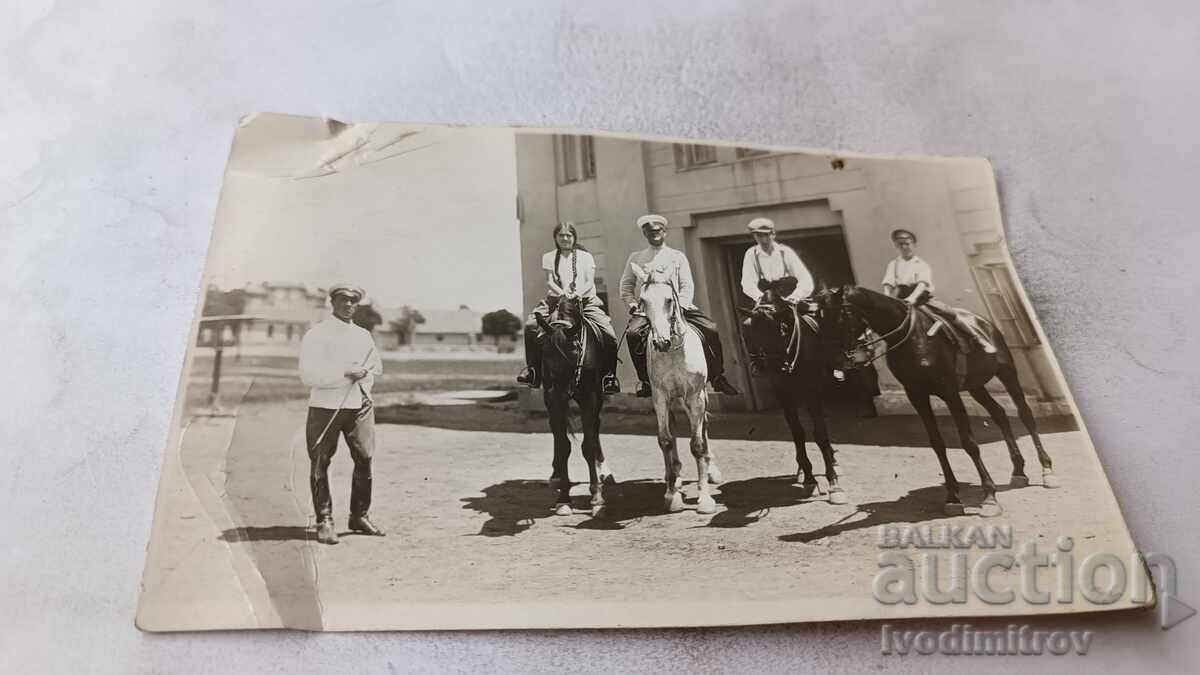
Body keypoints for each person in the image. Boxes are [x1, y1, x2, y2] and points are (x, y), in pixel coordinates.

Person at [299, 284, 386, 545]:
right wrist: (344, 374)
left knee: (364, 457)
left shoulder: (363, 335)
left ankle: (359, 515)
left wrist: (363, 377)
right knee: (320, 461)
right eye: (343, 300)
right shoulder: (317, 335)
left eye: (353, 301)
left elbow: (376, 367)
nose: (348, 305)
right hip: (326, 406)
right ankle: (324, 519)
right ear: (332, 302)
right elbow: (308, 375)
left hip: (359, 405)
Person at [619, 214, 740, 397]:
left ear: (665, 232)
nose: (654, 234)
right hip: (649, 311)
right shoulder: (636, 258)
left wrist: (681, 306)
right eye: (650, 232)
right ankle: (645, 380)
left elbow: (687, 285)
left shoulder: (677, 257)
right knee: (633, 334)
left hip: (678, 308)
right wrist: (633, 305)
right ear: (644, 234)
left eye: (658, 231)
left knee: (710, 328)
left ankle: (717, 376)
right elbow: (626, 287)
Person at [517, 222, 621, 394]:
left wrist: (577, 293)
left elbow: (589, 281)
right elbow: (550, 281)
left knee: (608, 333)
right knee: (530, 326)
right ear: (555, 238)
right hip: (556, 300)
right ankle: (533, 372)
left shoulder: (585, 257)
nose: (565, 238)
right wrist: (563, 293)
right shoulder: (549, 257)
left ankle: (609, 376)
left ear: (574, 237)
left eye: (568, 235)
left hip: (584, 300)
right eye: (561, 235)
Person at [883, 228, 996, 353]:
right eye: (901, 244)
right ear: (896, 246)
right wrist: (887, 297)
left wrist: (912, 298)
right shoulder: (893, 264)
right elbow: (888, 283)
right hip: (901, 298)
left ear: (913, 245)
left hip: (921, 298)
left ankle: (978, 339)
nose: (905, 247)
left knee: (950, 313)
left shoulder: (921, 264)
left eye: (908, 244)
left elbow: (922, 284)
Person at [739, 217, 815, 305]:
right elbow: (747, 283)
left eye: (767, 235)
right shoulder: (751, 254)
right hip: (765, 305)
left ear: (773, 234)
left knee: (810, 317)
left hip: (791, 302)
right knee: (749, 319)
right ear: (754, 236)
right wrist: (760, 297)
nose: (764, 240)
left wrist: (795, 297)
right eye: (759, 236)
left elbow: (806, 280)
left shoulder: (785, 252)